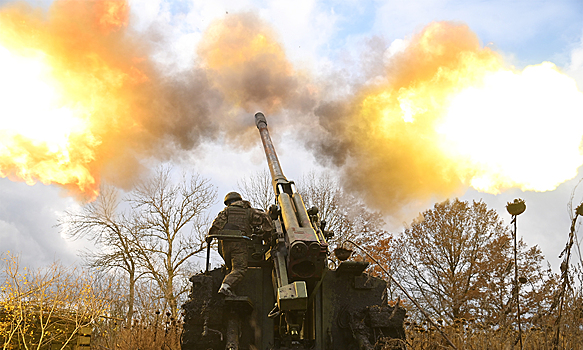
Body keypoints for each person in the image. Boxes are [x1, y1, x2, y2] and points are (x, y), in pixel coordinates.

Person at [209, 191, 273, 297]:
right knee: (239, 269)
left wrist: (210, 237)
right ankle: (225, 287)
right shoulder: (249, 211)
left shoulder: (226, 212)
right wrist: (267, 234)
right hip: (239, 242)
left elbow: (216, 226)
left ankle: (230, 290)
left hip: (225, 245)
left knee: (230, 268)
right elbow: (265, 219)